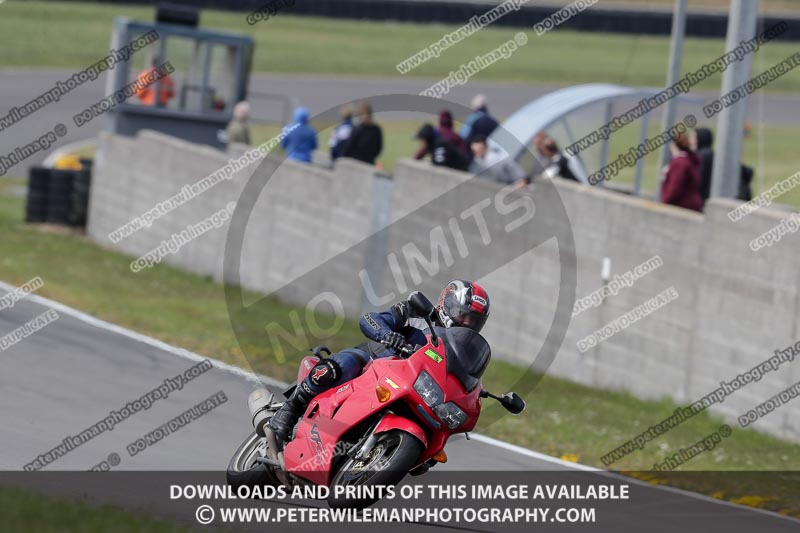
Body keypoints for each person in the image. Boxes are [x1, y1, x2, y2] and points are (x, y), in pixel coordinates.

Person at [268, 280, 491, 444]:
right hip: (375, 361)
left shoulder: (462, 348)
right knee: (339, 367)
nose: (467, 323)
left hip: (410, 386)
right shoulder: (416, 313)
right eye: (464, 315)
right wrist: (386, 335)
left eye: (474, 321)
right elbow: (370, 319)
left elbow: (462, 378)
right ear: (447, 304)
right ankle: (289, 411)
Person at [693, 127, 754, 203]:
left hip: (710, 201)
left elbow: (699, 181)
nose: (691, 140)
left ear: (700, 138)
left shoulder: (703, 156)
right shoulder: (713, 155)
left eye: (694, 137)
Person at [660, 132, 704, 212]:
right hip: (692, 205)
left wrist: (666, 201)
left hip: (682, 207)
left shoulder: (679, 163)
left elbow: (675, 187)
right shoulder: (690, 160)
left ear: (674, 145)